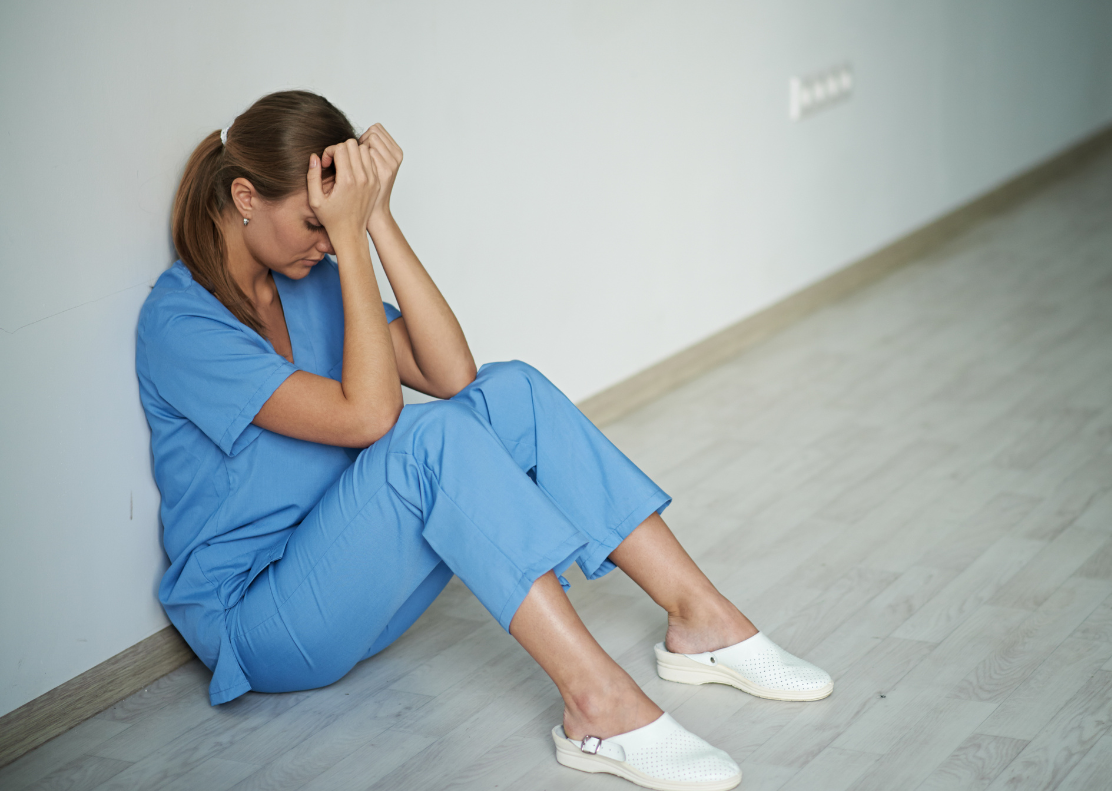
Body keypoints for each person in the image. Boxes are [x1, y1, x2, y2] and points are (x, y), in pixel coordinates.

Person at [136, 90, 832, 791]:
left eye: (333, 225)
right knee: (428, 438)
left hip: (356, 589)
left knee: (511, 391)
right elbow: (369, 419)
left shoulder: (308, 279)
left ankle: (702, 621)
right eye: (315, 223)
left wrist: (376, 219)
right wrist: (348, 242)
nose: (325, 242)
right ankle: (598, 705)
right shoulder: (182, 325)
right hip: (263, 626)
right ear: (245, 197)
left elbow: (450, 373)